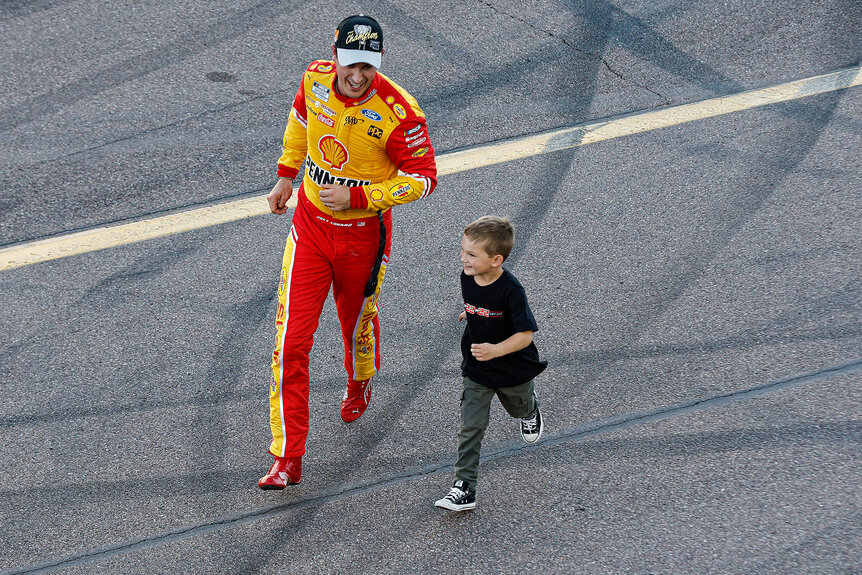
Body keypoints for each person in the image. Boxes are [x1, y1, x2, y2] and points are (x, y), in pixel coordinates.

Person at [259, 14, 438, 489]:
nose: (358, 76)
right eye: (351, 64)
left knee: (355, 322)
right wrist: (286, 173)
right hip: (310, 231)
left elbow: (424, 179)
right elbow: (299, 119)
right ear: (335, 55)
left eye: (368, 67)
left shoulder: (400, 112)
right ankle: (287, 456)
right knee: (289, 343)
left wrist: (361, 198)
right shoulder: (313, 79)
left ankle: (360, 379)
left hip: (364, 236)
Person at [435, 216, 547, 511]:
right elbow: (480, 302)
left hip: (512, 368)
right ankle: (464, 488)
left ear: (496, 260)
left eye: (472, 254)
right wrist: (470, 312)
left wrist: (496, 350)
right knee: (470, 426)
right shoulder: (467, 276)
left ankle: (530, 407)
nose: (463, 259)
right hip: (477, 367)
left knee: (517, 408)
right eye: (463, 250)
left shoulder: (511, 290)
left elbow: (525, 335)